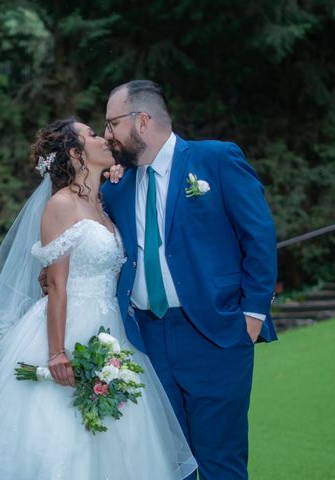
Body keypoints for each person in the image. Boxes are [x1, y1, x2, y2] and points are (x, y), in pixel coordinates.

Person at [0, 118, 197, 479]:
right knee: (61, 437)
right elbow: (58, 285)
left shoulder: (102, 202)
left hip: (112, 330)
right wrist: (57, 351)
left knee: (119, 433)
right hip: (70, 326)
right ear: (77, 153)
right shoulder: (60, 205)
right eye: (92, 134)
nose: (103, 137)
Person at [100, 80, 278, 480]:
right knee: (168, 462)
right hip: (146, 341)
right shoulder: (118, 187)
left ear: (141, 120)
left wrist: (251, 314)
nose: (107, 134)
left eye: (112, 124)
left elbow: (259, 236)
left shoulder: (215, 159)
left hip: (216, 334)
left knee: (220, 461)